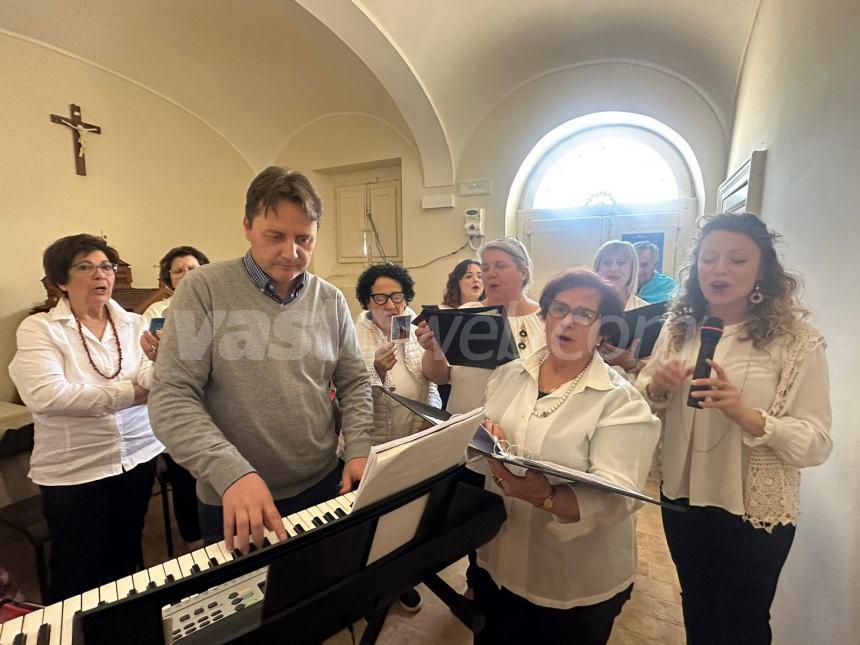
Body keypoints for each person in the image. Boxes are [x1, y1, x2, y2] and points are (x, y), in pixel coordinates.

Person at [148, 166, 373, 553]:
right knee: (252, 610)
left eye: (304, 238)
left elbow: (353, 382)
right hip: (234, 496)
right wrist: (231, 473)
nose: (292, 251)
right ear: (248, 227)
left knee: (318, 593)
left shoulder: (330, 299)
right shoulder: (204, 290)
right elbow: (171, 396)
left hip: (322, 483)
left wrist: (358, 448)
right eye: (275, 236)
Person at [635, 213, 832, 644]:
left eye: (737, 259)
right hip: (682, 498)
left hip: (751, 513)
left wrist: (745, 412)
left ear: (763, 270)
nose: (719, 269)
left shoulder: (796, 340)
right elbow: (643, 392)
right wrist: (658, 385)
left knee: (742, 625)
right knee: (698, 609)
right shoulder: (679, 325)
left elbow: (816, 443)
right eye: (709, 258)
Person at [470, 268, 660, 644]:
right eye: (559, 308)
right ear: (544, 317)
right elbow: (483, 436)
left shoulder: (620, 402)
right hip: (499, 563)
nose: (568, 321)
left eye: (584, 314)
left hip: (573, 582)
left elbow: (618, 497)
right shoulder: (508, 376)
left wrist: (545, 496)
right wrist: (484, 437)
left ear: (603, 329)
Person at [9, 234, 162, 602]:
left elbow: (151, 376)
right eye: (85, 267)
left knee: (127, 555)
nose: (101, 275)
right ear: (61, 281)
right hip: (76, 467)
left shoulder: (134, 324)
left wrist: (164, 366)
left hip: (138, 455)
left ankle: (126, 628)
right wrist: (132, 393)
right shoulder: (40, 329)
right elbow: (48, 396)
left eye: (107, 266)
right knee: (78, 568)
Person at [352, 263, 441, 612]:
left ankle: (402, 578)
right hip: (374, 442)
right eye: (380, 297)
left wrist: (429, 420)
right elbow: (350, 394)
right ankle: (369, 585)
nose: (390, 305)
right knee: (373, 520)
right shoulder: (354, 334)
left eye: (397, 296)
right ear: (367, 301)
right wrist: (376, 370)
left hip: (415, 437)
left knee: (409, 515)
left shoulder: (418, 328)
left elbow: (432, 384)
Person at [418, 237, 545, 414]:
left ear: (523, 272)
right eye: (485, 268)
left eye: (500, 266)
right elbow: (439, 377)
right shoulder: (467, 313)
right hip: (464, 426)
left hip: (516, 431)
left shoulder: (544, 319)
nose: (490, 273)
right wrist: (434, 349)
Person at [593, 240, 648, 375]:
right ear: (597, 269)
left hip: (630, 388)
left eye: (621, 263)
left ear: (632, 269)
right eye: (607, 263)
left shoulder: (647, 312)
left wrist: (630, 363)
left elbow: (653, 368)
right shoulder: (585, 307)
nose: (613, 268)